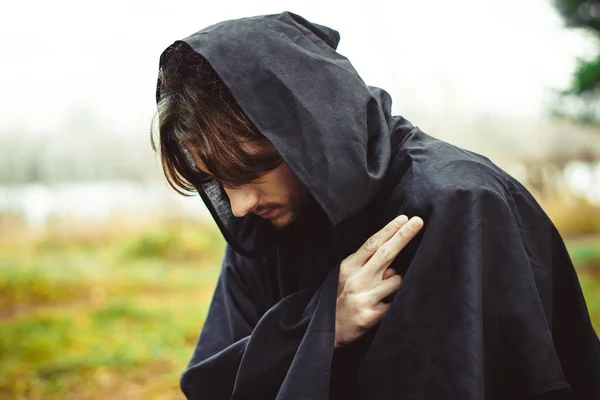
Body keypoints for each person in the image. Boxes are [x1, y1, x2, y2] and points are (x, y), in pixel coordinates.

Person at [152, 11, 600, 400]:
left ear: (306, 131)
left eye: (248, 173)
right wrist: (324, 325)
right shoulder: (261, 228)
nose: (240, 205)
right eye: (218, 182)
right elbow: (211, 384)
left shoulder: (460, 203)